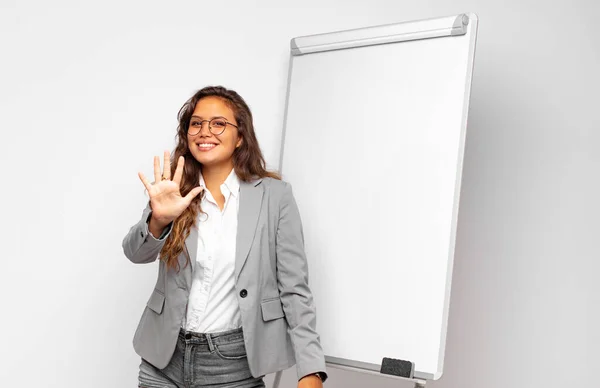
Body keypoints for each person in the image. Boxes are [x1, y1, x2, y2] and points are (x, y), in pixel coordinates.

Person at [122, 85, 328, 388]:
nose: (205, 131)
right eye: (196, 123)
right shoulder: (173, 189)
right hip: (163, 360)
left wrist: (310, 370)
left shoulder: (275, 197)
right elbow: (135, 253)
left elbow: (294, 290)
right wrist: (159, 219)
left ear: (240, 136)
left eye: (218, 123)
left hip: (232, 364)